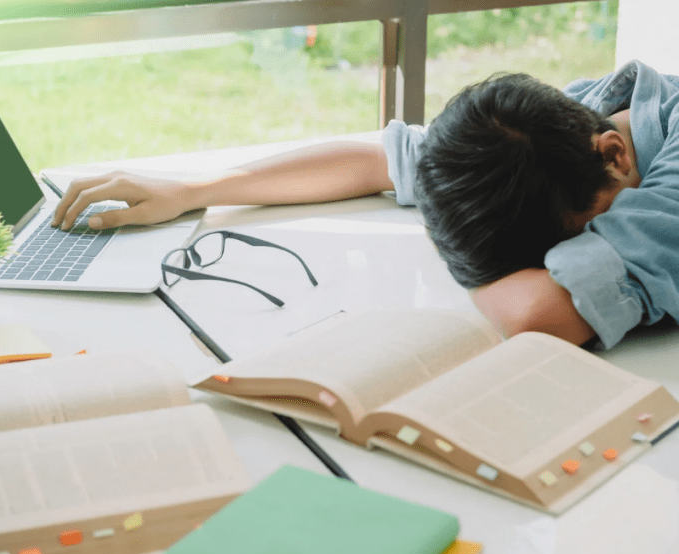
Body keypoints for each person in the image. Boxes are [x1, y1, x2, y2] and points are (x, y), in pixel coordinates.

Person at [51, 60, 679, 351]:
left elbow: (538, 314)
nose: (556, 262)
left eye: (562, 248)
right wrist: (197, 189)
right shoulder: (545, 135)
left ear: (615, 154)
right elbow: (378, 159)